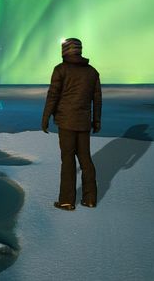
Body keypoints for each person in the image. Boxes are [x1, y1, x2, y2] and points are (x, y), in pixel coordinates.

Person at [41, 37, 102, 210]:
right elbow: (97, 100)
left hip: (66, 122)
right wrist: (96, 121)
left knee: (67, 160)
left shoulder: (60, 70)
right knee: (85, 159)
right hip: (83, 123)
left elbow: (53, 95)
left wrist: (45, 118)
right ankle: (90, 199)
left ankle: (67, 201)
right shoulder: (92, 72)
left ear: (66, 50)